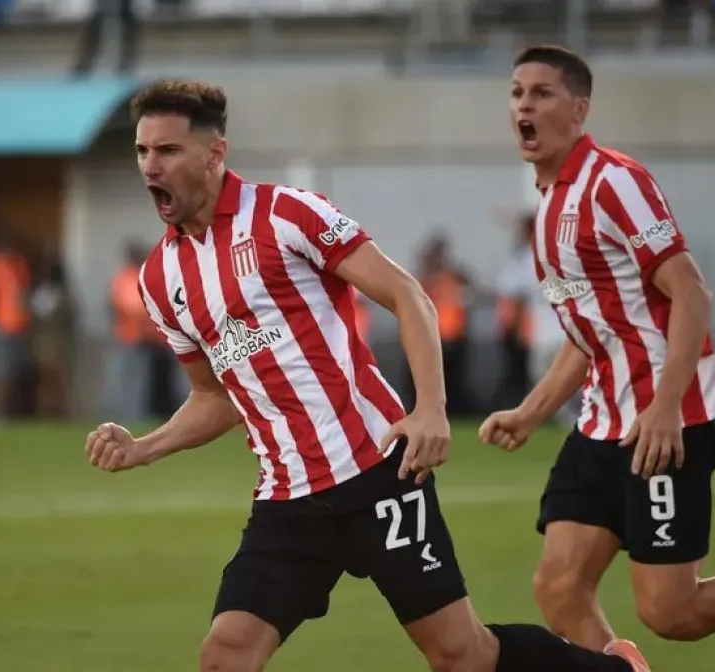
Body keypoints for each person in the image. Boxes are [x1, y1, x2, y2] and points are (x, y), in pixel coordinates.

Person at [85, 78, 650, 672]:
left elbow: (408, 295)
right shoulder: (159, 279)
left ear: (214, 153)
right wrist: (144, 447)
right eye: (143, 151)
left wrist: (429, 409)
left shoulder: (286, 215)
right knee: (225, 654)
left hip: (377, 470)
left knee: (462, 656)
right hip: (287, 497)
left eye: (168, 150)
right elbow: (215, 397)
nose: (151, 165)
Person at [480, 44, 715, 655]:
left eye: (541, 93)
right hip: (601, 424)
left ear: (579, 109)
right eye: (516, 94)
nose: (524, 106)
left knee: (672, 611)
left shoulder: (615, 182)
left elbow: (691, 293)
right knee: (559, 587)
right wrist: (530, 412)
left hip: (666, 422)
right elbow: (590, 335)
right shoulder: (547, 210)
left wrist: (665, 406)